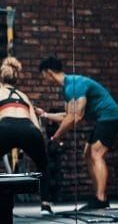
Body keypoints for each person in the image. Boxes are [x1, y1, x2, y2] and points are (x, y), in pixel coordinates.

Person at [38, 55, 118, 210]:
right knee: (88, 154)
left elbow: (76, 117)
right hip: (103, 118)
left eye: (43, 75)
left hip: (110, 116)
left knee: (96, 154)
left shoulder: (74, 85)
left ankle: (101, 198)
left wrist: (56, 136)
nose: (43, 78)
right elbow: (67, 116)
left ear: (48, 72)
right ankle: (99, 197)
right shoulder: (67, 89)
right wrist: (44, 115)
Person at [0, 56, 53, 215]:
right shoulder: (23, 96)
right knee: (43, 166)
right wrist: (39, 146)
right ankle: (45, 205)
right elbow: (35, 123)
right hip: (29, 129)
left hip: (6, 127)